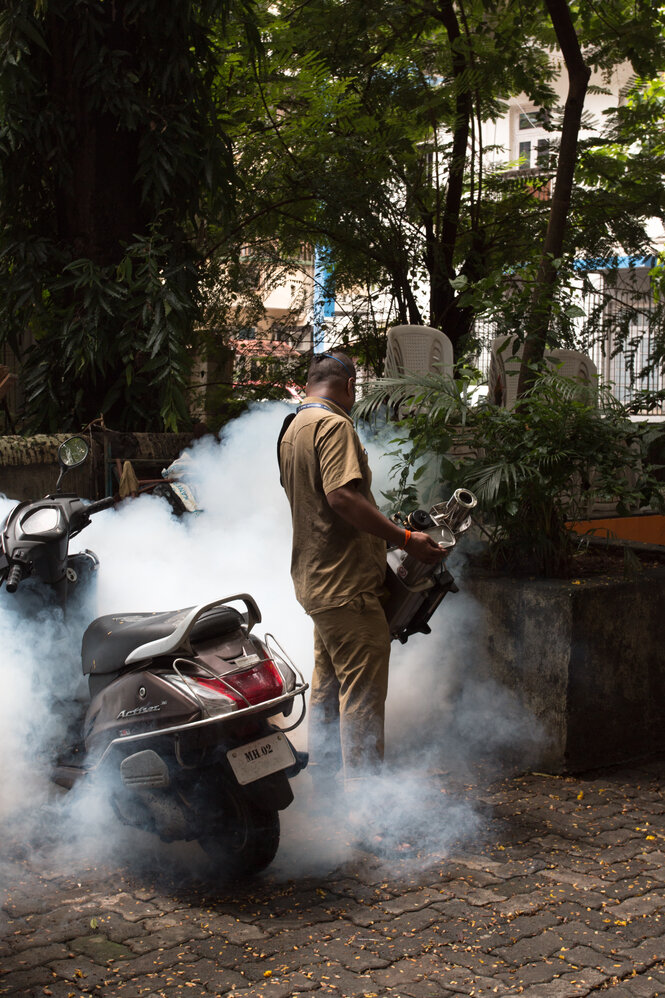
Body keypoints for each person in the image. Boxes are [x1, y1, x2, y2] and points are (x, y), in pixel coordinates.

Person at [279, 350, 445, 804]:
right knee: (363, 698)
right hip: (346, 587)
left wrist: (385, 534)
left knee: (329, 687)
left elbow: (323, 503)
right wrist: (405, 538)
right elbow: (340, 498)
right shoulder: (335, 427)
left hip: (319, 583)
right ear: (350, 386)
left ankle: (328, 793)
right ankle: (369, 813)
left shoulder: (293, 427)